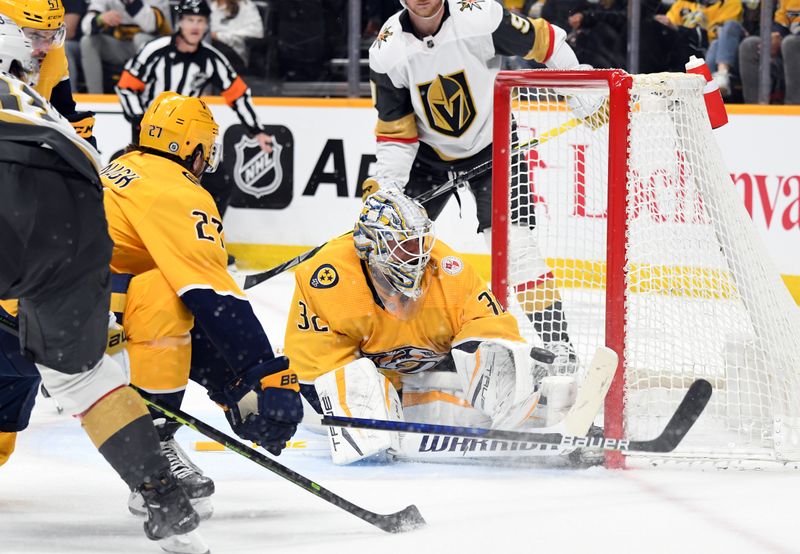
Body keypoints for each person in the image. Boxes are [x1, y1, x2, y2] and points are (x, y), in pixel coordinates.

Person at [0, 17, 206, 553]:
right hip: (81, 202)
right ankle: (161, 494)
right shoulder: (33, 94)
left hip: (11, 177)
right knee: (81, 378)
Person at [362, 0, 599, 374]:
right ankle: (385, 347)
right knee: (392, 250)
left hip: (496, 144)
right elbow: (396, 133)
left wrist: (580, 87)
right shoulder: (387, 51)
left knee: (515, 249)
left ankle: (560, 347)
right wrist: (387, 189)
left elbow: (548, 41)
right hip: (429, 157)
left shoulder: (479, 16)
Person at [101, 90, 303, 520]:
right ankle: (154, 451)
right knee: (163, 294)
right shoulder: (179, 192)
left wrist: (230, 386)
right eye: (206, 151)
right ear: (194, 149)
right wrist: (266, 376)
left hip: (30, 312)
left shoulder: (121, 167)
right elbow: (214, 300)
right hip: (78, 323)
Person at [284, 190, 578, 464]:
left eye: (421, 241)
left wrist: (512, 368)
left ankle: (542, 414)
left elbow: (489, 324)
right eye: (405, 245)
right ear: (370, 246)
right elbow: (315, 370)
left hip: (434, 363)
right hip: (372, 373)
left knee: (496, 358)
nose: (419, 253)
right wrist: (372, 413)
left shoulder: (447, 269)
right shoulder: (327, 278)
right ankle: (387, 417)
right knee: (360, 410)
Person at [0, 0, 99, 468]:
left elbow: (69, 123)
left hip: (21, 198)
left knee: (14, 367)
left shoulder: (51, 59)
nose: (43, 48)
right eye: (34, 35)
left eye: (52, 35)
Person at [116, 0, 272, 216]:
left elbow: (238, 93)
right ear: (180, 22)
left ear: (208, 24)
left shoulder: (211, 58)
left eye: (200, 21)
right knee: (139, 188)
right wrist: (139, 121)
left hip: (187, 141)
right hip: (151, 138)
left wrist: (257, 130)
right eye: (190, 20)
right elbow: (126, 87)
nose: (195, 26)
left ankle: (205, 241)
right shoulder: (154, 50)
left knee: (220, 184)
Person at [80, 0, 171, 93]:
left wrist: (131, 2)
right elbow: (85, 26)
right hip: (124, 46)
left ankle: (145, 97)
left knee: (139, 39)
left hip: (158, 50)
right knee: (88, 42)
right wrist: (100, 19)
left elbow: (150, 25)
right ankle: (95, 100)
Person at [739, 0, 800, 104]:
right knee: (750, 45)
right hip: (787, 52)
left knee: (790, 43)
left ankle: (793, 108)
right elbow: (780, 23)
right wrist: (775, 36)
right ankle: (755, 110)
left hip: (793, 47)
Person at [209, 0, 264, 71]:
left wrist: (218, 36)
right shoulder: (209, 5)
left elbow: (256, 32)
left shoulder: (246, 6)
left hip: (232, 52)